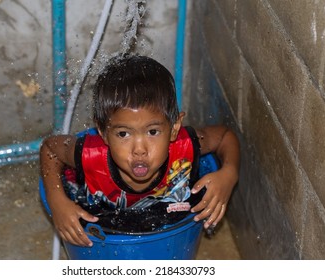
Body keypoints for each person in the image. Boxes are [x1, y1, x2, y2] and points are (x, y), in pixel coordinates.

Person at [40, 54, 240, 247]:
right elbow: (50, 148)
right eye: (123, 134)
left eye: (153, 131)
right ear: (103, 133)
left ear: (174, 128)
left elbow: (224, 136)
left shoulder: (185, 145)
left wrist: (228, 173)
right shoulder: (89, 155)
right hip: (101, 213)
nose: (139, 150)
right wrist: (57, 199)